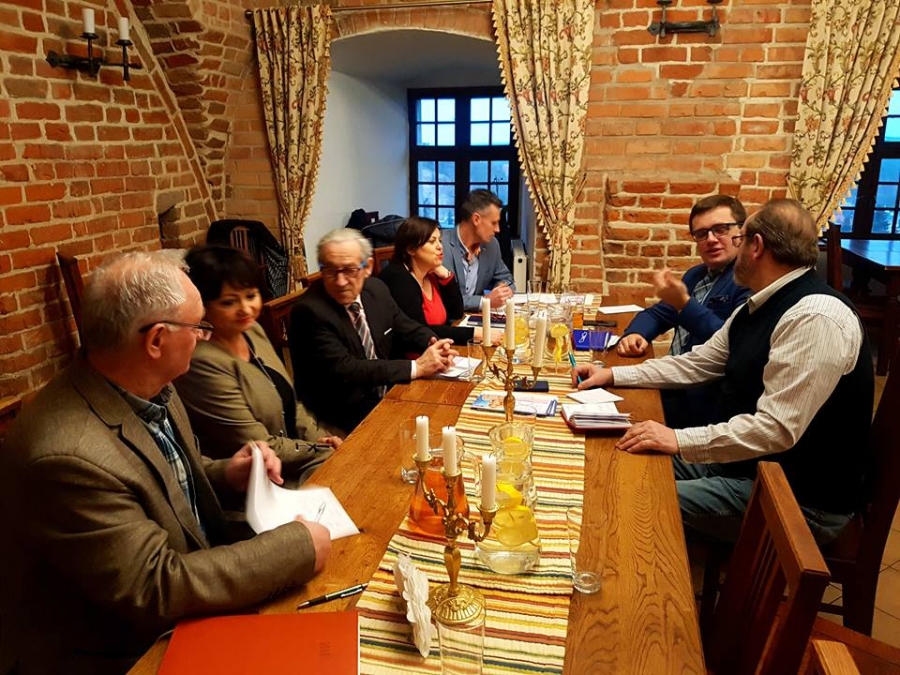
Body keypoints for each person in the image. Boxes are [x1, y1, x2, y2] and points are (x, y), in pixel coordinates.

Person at [0, 251, 331, 675]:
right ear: (156, 340)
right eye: (199, 327)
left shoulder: (150, 384)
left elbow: (162, 480)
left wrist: (228, 472)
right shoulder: (66, 457)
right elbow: (156, 586)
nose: (205, 338)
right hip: (121, 652)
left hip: (189, 599)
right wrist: (296, 547)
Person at [573, 199, 873, 545]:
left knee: (629, 498)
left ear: (755, 246)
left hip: (797, 498)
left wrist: (677, 439)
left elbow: (775, 430)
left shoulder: (814, 317)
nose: (731, 246)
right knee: (614, 460)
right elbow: (699, 362)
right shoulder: (759, 304)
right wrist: (612, 375)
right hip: (745, 463)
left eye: (738, 238)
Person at [174, 245, 341, 486]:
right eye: (229, 302)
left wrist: (321, 439)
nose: (245, 309)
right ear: (203, 306)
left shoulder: (252, 330)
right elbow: (256, 444)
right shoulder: (201, 363)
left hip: (300, 460)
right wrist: (321, 450)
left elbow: (291, 402)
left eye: (251, 296)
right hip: (260, 482)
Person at [290, 228, 458, 436]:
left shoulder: (375, 289)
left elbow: (403, 325)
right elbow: (347, 369)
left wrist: (434, 344)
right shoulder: (309, 311)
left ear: (367, 267)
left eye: (350, 270)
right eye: (331, 271)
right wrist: (417, 367)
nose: (341, 281)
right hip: (338, 417)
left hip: (386, 397)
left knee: (448, 419)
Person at [618, 195, 751, 428]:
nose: (711, 239)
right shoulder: (696, 275)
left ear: (740, 232)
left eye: (720, 229)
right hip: (673, 386)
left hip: (707, 406)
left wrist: (684, 304)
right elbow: (658, 314)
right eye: (701, 233)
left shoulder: (749, 280)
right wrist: (636, 334)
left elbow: (730, 343)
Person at [380, 216, 502, 345]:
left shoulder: (431, 273)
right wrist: (475, 333)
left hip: (440, 347)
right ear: (411, 249)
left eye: (440, 240)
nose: (440, 246)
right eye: (432, 241)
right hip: (417, 354)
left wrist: (447, 276)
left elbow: (456, 313)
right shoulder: (399, 279)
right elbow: (420, 333)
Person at [443, 189, 516, 311]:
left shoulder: (492, 245)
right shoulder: (440, 246)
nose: (497, 229)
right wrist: (485, 301)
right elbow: (445, 300)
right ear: (476, 219)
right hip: (447, 320)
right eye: (494, 223)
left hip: (477, 317)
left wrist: (502, 289)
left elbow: (507, 278)